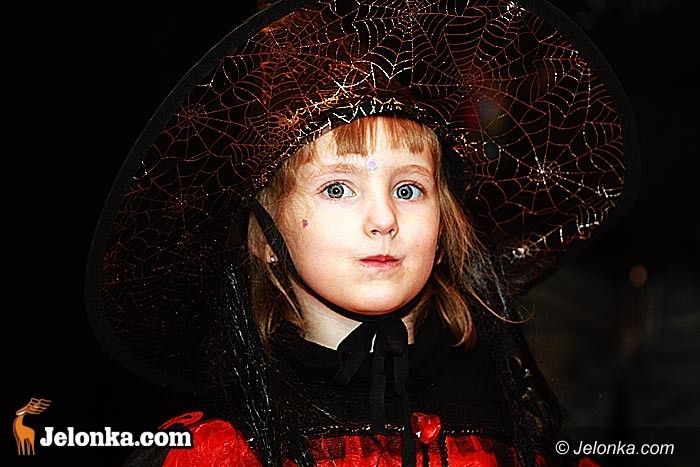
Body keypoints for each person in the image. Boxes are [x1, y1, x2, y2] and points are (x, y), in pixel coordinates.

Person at [85, 0, 638, 465]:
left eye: (408, 189)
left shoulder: (517, 440)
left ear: (444, 230)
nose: (383, 219)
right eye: (337, 188)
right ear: (265, 239)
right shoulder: (216, 452)